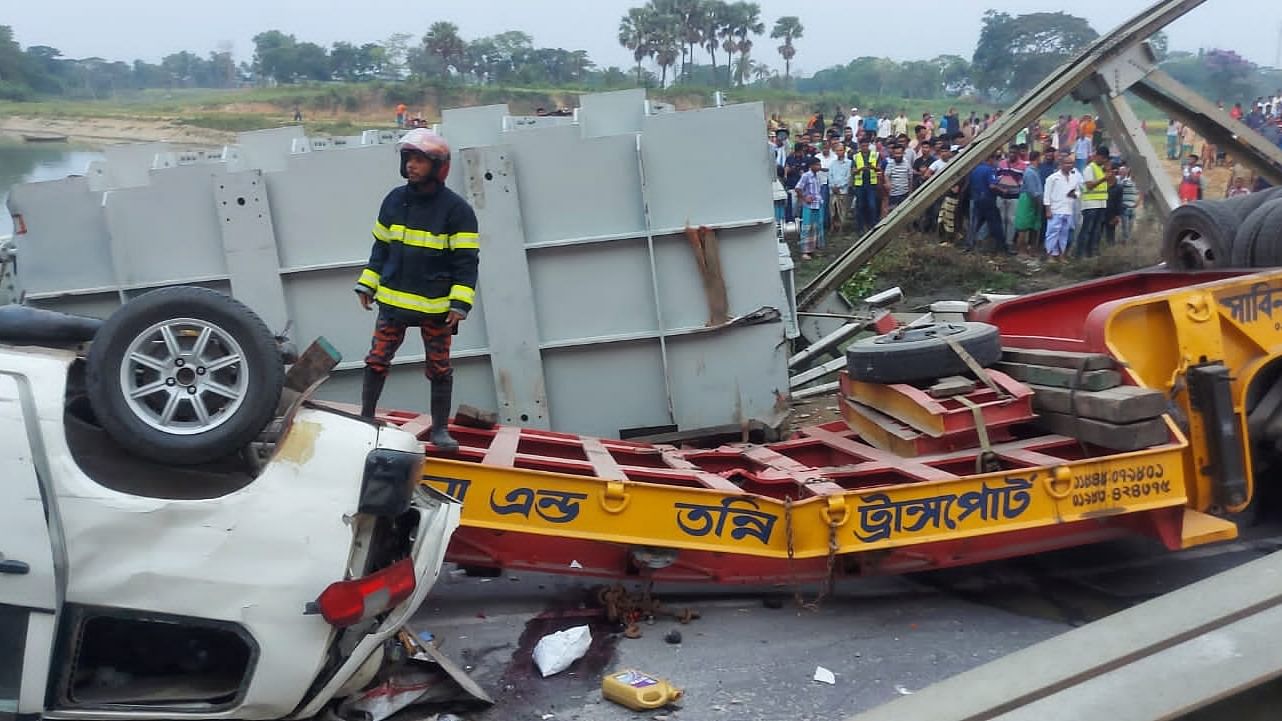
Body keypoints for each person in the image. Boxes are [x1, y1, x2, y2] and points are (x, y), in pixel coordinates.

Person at [355, 129, 479, 452]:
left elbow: (466, 263)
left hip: (436, 308)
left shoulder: (458, 211)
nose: (412, 165)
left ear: (438, 166)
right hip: (393, 303)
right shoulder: (394, 201)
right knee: (376, 360)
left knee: (439, 369)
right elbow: (380, 248)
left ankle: (440, 430)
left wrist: (459, 304)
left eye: (420, 160)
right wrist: (367, 283)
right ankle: (366, 416)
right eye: (409, 158)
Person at [1043, 153, 1083, 260]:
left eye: (1071, 163)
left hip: (1068, 209)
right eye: (1066, 163)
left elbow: (1079, 191)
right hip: (1055, 209)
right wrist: (1048, 210)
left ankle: (1061, 255)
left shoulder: (1074, 178)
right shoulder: (1053, 178)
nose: (1069, 165)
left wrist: (1074, 194)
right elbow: (1046, 195)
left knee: (1064, 234)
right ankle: (1050, 255)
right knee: (1052, 233)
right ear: (1061, 164)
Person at [967, 151, 1006, 254]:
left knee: (975, 223)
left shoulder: (975, 170)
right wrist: (1002, 190)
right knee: (995, 224)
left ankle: (970, 245)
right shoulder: (990, 170)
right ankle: (1001, 247)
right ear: (991, 159)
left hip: (976, 199)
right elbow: (992, 185)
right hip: (987, 200)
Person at [1076, 146, 1111, 258]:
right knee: (1087, 230)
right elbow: (1089, 185)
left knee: (1096, 231)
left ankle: (1090, 253)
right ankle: (1080, 255)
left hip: (1101, 204)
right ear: (1098, 156)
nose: (1104, 161)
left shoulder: (1102, 169)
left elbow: (1109, 184)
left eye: (1106, 159)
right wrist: (1103, 178)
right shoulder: (1089, 168)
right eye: (1103, 158)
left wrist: (1108, 172)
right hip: (1090, 204)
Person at [1014, 150, 1045, 254]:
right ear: (1038, 158)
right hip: (1028, 201)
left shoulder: (1036, 171)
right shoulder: (1030, 172)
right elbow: (1033, 192)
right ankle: (1021, 252)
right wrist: (1038, 205)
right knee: (1023, 228)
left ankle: (1031, 250)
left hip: (1033, 201)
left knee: (1033, 227)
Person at [851, 137, 884, 235]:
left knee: (872, 205)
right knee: (860, 206)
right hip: (860, 185)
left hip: (871, 184)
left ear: (869, 145)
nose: (864, 147)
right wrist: (860, 169)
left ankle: (872, 225)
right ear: (860, 146)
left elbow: (879, 169)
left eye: (866, 145)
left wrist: (872, 168)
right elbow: (853, 171)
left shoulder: (875, 155)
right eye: (863, 146)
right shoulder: (856, 156)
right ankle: (860, 227)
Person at [795, 156, 823, 260]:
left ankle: (814, 249)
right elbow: (798, 188)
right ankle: (804, 251)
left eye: (819, 164)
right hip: (808, 206)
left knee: (816, 227)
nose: (819, 167)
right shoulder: (806, 176)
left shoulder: (817, 176)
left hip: (817, 204)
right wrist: (804, 197)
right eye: (817, 165)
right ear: (811, 166)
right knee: (806, 228)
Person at [828, 143, 852, 232]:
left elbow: (848, 177)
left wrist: (839, 186)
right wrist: (832, 186)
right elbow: (830, 176)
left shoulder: (849, 163)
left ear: (844, 151)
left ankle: (841, 228)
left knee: (842, 210)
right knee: (832, 210)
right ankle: (832, 226)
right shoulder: (833, 163)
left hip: (842, 190)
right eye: (837, 150)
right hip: (832, 190)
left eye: (841, 150)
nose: (839, 152)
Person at [884, 144, 913, 212]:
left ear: (903, 153)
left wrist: (910, 193)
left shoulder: (907, 163)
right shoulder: (890, 164)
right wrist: (888, 183)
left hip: (904, 194)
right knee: (892, 214)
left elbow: (910, 178)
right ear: (893, 154)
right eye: (896, 153)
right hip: (893, 195)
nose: (898, 155)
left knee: (904, 213)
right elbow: (886, 175)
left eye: (899, 153)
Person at [1117, 164, 1139, 242]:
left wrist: (1138, 202)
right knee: (1125, 228)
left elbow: (1141, 193)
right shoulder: (1126, 181)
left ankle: (1126, 241)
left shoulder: (1137, 183)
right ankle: (1126, 242)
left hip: (1133, 208)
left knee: (1130, 227)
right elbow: (1119, 187)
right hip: (1125, 208)